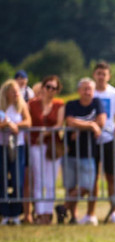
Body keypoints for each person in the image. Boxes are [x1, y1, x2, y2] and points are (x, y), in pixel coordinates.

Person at [61, 78, 106, 225]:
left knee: (87, 186)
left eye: (90, 89)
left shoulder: (97, 103)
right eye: (84, 89)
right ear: (79, 90)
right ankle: (72, 216)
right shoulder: (71, 104)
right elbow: (70, 122)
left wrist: (82, 126)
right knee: (70, 186)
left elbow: (101, 122)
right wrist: (91, 126)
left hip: (88, 153)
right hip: (70, 151)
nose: (87, 92)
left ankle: (63, 207)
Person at [88, 61, 115, 223]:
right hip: (92, 139)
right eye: (98, 73)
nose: (101, 77)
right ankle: (91, 213)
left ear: (109, 76)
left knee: (111, 176)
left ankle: (114, 211)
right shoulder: (90, 92)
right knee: (92, 177)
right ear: (94, 75)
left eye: (104, 74)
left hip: (109, 139)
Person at [27, 75, 65, 224]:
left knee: (50, 181)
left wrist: (46, 133)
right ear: (42, 87)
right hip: (36, 145)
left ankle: (47, 214)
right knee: (38, 180)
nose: (50, 90)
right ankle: (39, 213)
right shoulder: (32, 104)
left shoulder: (59, 104)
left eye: (54, 88)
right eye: (48, 86)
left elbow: (59, 124)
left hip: (53, 146)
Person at [1, 79, 31, 224]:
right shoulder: (1, 106)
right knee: (2, 181)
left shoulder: (21, 106)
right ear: (6, 92)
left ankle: (15, 213)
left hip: (17, 147)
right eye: (13, 91)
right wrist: (5, 125)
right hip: (2, 147)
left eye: (17, 91)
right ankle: (5, 213)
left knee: (18, 180)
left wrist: (15, 125)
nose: (16, 94)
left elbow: (28, 122)